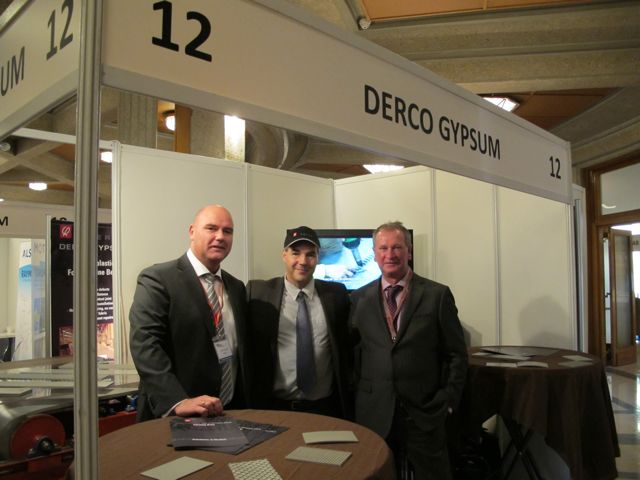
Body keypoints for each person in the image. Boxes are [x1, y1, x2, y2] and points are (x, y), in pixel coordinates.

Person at [350, 221, 468, 480]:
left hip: (424, 411)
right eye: (383, 248)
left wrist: (448, 401)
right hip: (375, 411)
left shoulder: (437, 295)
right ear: (374, 253)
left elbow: (456, 354)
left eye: (397, 247)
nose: (390, 254)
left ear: (409, 251)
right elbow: (355, 353)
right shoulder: (358, 299)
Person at [129, 205, 250, 421]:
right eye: (211, 228)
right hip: (177, 416)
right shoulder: (158, 279)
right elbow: (145, 344)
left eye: (227, 231)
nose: (220, 237)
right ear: (192, 231)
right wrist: (178, 401)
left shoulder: (237, 287)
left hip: (227, 411)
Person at [247, 226, 351, 418]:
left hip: (326, 408)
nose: (303, 261)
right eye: (296, 253)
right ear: (284, 255)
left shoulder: (336, 295)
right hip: (275, 407)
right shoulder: (259, 293)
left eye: (310, 254)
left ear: (318, 257)